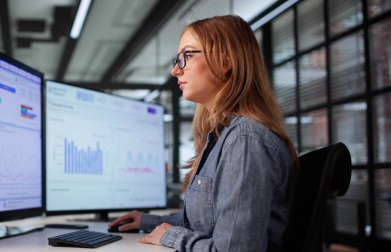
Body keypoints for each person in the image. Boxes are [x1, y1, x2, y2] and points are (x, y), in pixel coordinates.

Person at [109, 15, 299, 251]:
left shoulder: (245, 140)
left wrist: (171, 236)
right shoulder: (226, 136)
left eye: (186, 56)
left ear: (225, 61)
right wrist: (151, 222)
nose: (174, 70)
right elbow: (212, 222)